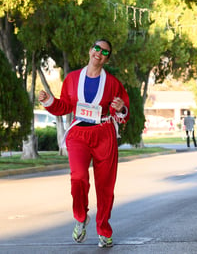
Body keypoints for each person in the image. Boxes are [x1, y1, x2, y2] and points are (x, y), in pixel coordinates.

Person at [38, 39, 129, 248]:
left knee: (105, 186)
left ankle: (104, 230)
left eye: (104, 52)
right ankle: (80, 216)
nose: (99, 53)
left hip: (104, 133)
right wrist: (48, 101)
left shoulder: (113, 83)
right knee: (78, 177)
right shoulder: (72, 79)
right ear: (90, 50)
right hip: (78, 134)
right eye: (97, 48)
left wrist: (121, 107)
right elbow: (64, 106)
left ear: (107, 58)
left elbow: (121, 114)